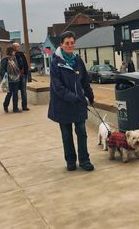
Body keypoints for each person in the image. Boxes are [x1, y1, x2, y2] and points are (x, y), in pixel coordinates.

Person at [48, 31, 95, 172]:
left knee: (82, 132)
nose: (70, 45)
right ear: (61, 45)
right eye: (67, 43)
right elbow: (57, 87)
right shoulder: (56, 62)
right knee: (66, 135)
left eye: (72, 43)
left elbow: (85, 81)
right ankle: (70, 161)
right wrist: (73, 97)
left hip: (78, 104)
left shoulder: (78, 60)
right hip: (62, 105)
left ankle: (84, 160)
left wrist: (89, 95)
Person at [0, 46, 21, 113]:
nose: (14, 52)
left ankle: (15, 108)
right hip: (9, 79)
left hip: (16, 79)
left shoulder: (14, 59)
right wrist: (6, 77)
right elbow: (2, 70)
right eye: (13, 51)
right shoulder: (5, 59)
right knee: (9, 94)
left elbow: (17, 67)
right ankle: (5, 105)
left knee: (15, 94)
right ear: (10, 52)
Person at [13, 42, 30, 111]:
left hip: (23, 75)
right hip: (17, 75)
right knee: (15, 91)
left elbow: (25, 64)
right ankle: (15, 107)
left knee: (23, 91)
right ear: (14, 48)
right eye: (17, 47)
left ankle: (24, 106)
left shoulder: (21, 54)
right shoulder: (13, 55)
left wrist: (27, 73)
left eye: (18, 46)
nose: (18, 48)